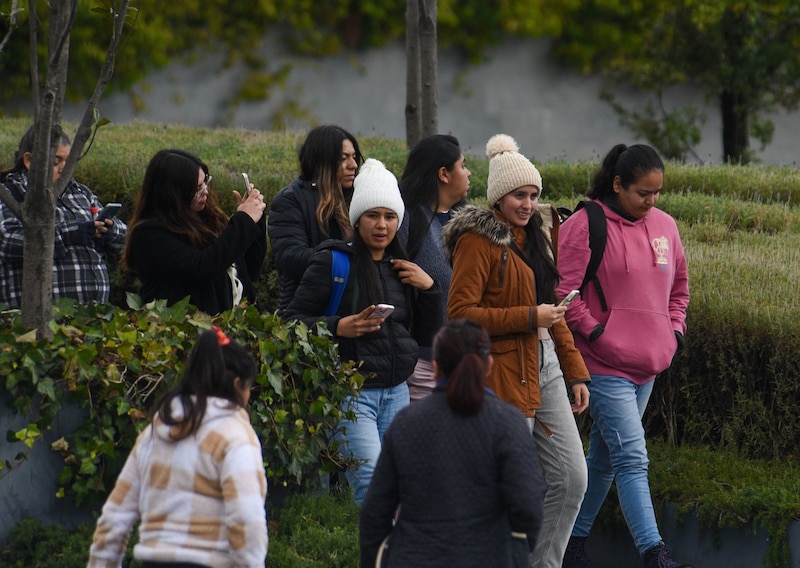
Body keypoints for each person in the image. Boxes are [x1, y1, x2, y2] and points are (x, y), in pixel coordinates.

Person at [442, 134, 590, 568]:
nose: (527, 205)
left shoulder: (538, 236)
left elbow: (553, 311)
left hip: (545, 366)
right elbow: (460, 315)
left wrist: (576, 371)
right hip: (502, 371)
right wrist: (530, 317)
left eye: (533, 195)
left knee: (572, 479)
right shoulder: (477, 240)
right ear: (498, 197)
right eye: (518, 196)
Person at [558, 144, 690, 568]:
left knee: (604, 459)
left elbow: (679, 290)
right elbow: (564, 292)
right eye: (642, 193)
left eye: (657, 193)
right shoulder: (585, 224)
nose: (651, 202)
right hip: (603, 365)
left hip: (649, 364)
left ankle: (571, 545)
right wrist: (597, 331)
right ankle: (654, 553)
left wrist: (674, 334)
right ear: (618, 185)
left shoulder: (665, 226)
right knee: (632, 456)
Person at [283, 158, 441, 504]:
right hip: (352, 396)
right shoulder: (333, 262)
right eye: (372, 215)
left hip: (398, 392)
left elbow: (426, 334)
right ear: (357, 219)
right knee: (369, 484)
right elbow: (290, 321)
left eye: (389, 216)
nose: (381, 225)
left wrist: (430, 290)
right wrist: (339, 326)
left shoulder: (404, 269)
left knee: (398, 485)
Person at [359, 318, 547, 567]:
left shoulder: (406, 423)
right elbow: (529, 504)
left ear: (435, 368)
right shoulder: (508, 422)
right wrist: (513, 552)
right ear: (489, 365)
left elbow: (375, 513)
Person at [87, 327, 268, 568]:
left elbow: (115, 514)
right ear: (237, 384)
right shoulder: (235, 435)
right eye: (249, 388)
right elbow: (246, 517)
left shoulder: (157, 431)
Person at [122, 149, 267, 315]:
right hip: (187, 333)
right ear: (174, 193)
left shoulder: (209, 220)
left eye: (205, 182)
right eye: (197, 188)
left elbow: (250, 269)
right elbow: (202, 269)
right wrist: (244, 220)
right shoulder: (149, 235)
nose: (205, 191)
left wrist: (256, 218)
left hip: (236, 330)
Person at [0, 124, 127, 307]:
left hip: (92, 320)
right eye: (55, 162)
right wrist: (69, 234)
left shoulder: (81, 193)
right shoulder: (10, 194)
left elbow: (127, 239)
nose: (63, 169)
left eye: (68, 162)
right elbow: (8, 241)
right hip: (37, 320)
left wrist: (108, 229)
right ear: (29, 161)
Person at [397, 133, 471, 401]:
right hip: (423, 363)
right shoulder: (406, 217)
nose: (468, 172)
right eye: (462, 166)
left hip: (464, 357)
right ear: (443, 174)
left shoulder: (467, 221)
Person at [268, 125, 363, 312]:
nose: (353, 165)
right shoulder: (291, 200)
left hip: (354, 307)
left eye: (354, 157)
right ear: (322, 161)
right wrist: (349, 255)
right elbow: (291, 259)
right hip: (309, 314)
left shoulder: (359, 196)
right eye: (343, 158)